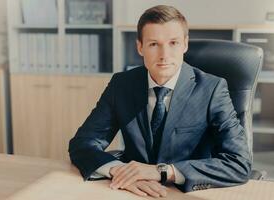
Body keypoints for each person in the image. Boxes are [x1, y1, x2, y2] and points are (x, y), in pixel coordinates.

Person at [69, 5, 251, 198]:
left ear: (185, 44)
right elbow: (83, 143)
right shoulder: (121, 85)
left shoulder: (212, 89)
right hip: (133, 193)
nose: (164, 55)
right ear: (140, 47)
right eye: (154, 44)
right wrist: (119, 171)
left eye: (173, 43)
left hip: (185, 193)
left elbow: (239, 163)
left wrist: (163, 172)